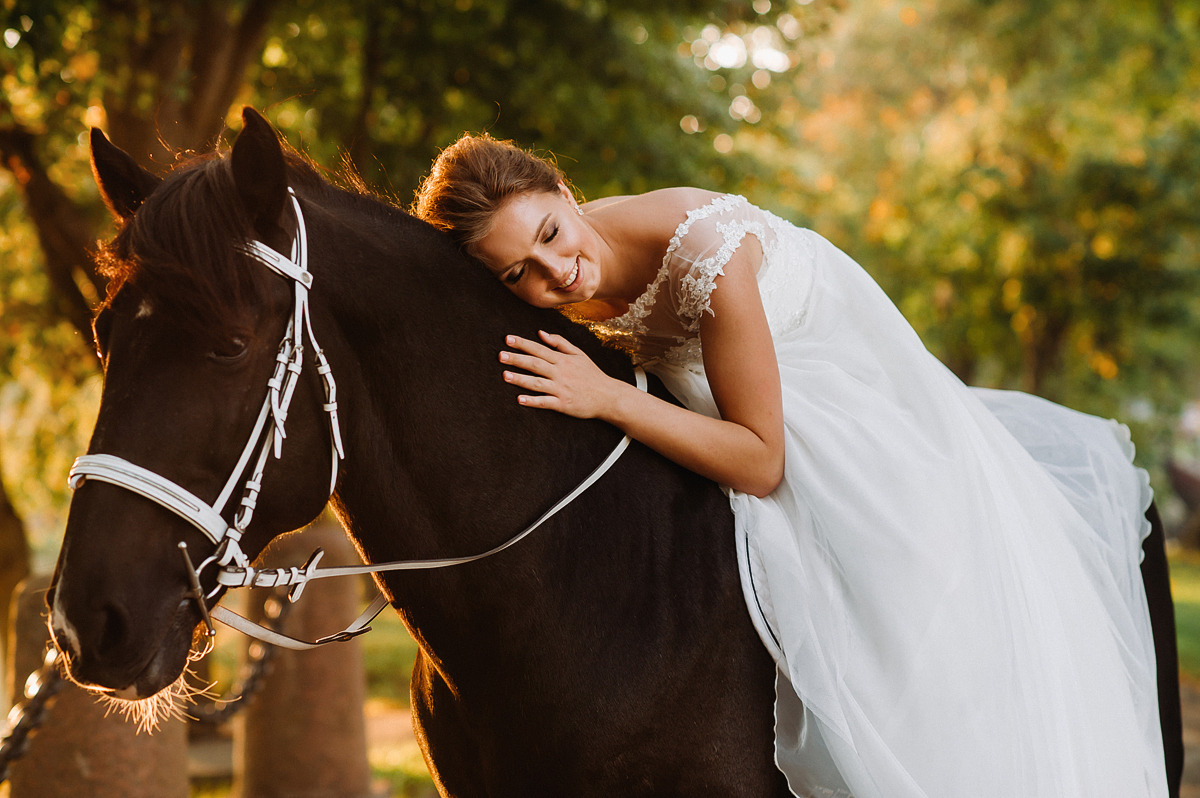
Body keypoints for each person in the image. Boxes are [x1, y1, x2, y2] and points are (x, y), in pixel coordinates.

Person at [413, 134, 1168, 797]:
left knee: (888, 601)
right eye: (520, 274)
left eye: (550, 232)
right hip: (733, 406)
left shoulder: (703, 252)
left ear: (567, 194)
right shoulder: (552, 283)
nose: (557, 273)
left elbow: (761, 461)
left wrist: (609, 400)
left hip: (833, 410)